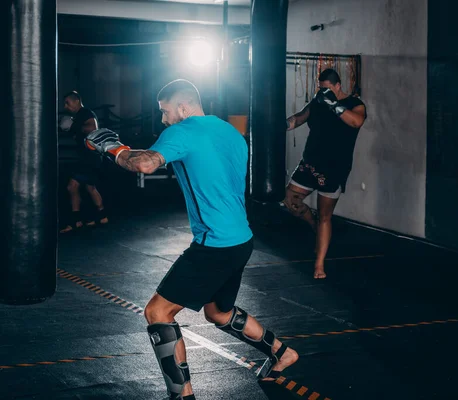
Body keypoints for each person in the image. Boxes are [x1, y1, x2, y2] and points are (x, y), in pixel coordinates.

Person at [85, 79, 298, 400]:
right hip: (241, 240)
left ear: (183, 108)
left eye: (166, 111)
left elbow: (144, 163)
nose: (163, 119)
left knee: (157, 313)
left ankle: (181, 396)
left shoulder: (181, 131)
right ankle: (282, 353)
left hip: (214, 246)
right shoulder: (229, 131)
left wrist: (112, 147)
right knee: (219, 313)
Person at [284, 68, 367, 279]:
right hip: (310, 163)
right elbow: (299, 118)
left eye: (327, 89)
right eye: (320, 89)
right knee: (289, 200)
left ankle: (319, 265)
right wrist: (279, 125)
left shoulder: (354, 104)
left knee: (325, 216)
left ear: (338, 86)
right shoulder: (318, 102)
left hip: (334, 168)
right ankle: (311, 224)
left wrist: (334, 105)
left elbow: (356, 122)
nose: (323, 93)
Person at [60, 91, 109, 233]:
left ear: (76, 101)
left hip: (89, 158)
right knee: (90, 187)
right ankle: (102, 216)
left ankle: (75, 222)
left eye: (67, 102)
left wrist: (73, 127)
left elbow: (92, 128)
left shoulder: (85, 113)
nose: (65, 106)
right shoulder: (78, 116)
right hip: (89, 157)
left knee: (72, 186)